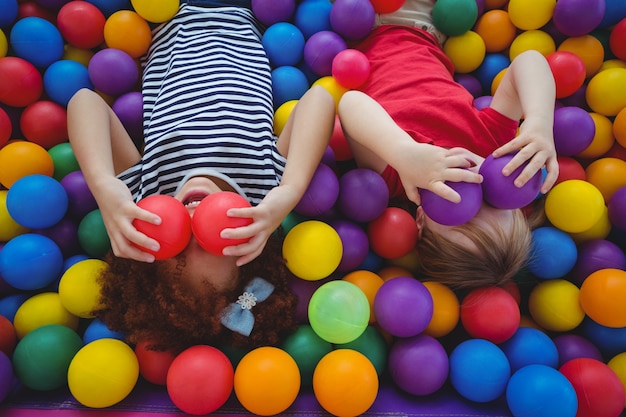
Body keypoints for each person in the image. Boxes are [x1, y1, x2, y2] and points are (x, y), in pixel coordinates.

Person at [67, 0, 335, 352]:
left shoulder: (146, 194)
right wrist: (291, 191)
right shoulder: (266, 191)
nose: (192, 215)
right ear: (247, 242)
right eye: (212, 235)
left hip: (166, 12)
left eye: (177, 241)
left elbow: (85, 102)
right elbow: (319, 99)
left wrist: (104, 187)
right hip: (242, 11)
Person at [337, 0, 558, 289]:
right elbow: (529, 60)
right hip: (419, 24)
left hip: (354, 32)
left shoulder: (397, 176)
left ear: (421, 219)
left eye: (459, 201)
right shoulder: (493, 147)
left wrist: (403, 152)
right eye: (494, 196)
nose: (472, 179)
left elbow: (351, 104)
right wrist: (540, 122)